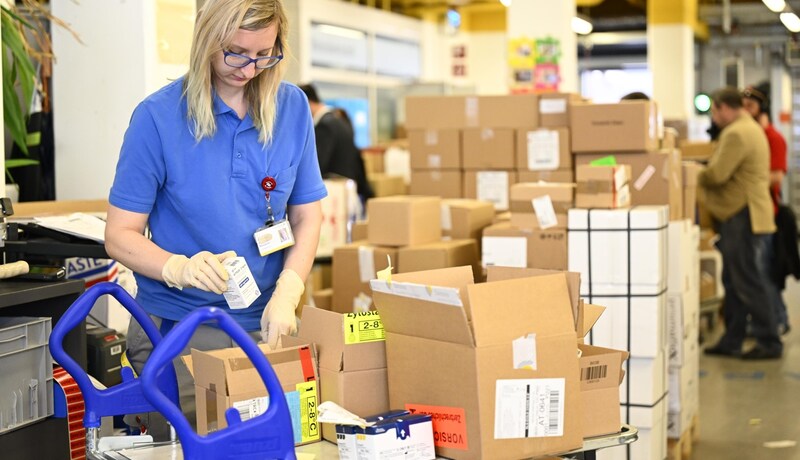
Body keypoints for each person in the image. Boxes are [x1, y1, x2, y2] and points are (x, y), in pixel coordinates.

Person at [104, 0, 327, 438]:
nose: (248, 68)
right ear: (206, 38)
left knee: (277, 442)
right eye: (235, 53)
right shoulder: (158, 119)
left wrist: (289, 289)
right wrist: (177, 267)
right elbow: (119, 235)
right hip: (180, 330)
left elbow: (307, 216)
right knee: (202, 443)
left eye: (264, 54)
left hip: (266, 326)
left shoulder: (293, 109)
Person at [700, 87, 782, 360]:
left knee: (747, 280)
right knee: (733, 281)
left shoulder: (736, 133)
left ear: (724, 107)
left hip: (742, 215)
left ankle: (769, 341)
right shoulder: (749, 127)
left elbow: (717, 174)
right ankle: (732, 339)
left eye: (714, 110)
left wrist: (696, 172)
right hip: (744, 213)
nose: (714, 116)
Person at [742, 83, 793, 334]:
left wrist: (748, 175)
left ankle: (779, 320)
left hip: (766, 214)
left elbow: (776, 177)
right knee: (754, 273)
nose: (745, 111)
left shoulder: (773, 138)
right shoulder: (745, 134)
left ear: (761, 108)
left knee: (765, 272)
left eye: (750, 106)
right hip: (746, 214)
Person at [299, 83, 373, 203]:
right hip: (350, 188)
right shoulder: (340, 119)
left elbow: (318, 165)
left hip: (336, 193)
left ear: (308, 103)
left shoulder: (325, 125)